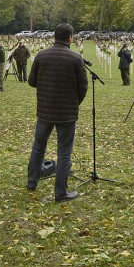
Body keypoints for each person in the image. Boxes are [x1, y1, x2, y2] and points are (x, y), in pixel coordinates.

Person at [26, 23, 88, 203]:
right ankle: (60, 193)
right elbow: (82, 87)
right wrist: (73, 103)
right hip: (66, 114)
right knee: (64, 152)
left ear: (54, 37)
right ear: (70, 38)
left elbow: (32, 81)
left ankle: (32, 182)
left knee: (38, 147)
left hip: (44, 111)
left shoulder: (41, 55)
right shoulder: (76, 58)